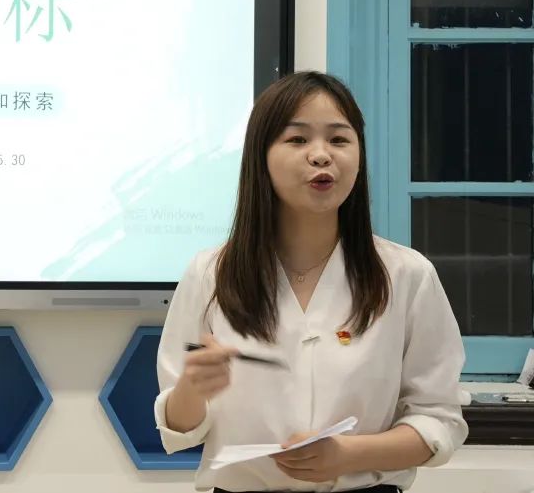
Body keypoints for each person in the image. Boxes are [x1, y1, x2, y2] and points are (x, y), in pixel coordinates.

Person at [154, 71, 468, 492]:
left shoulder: (407, 274)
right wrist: (192, 389)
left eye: (339, 139)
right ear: (261, 156)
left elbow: (440, 422)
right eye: (298, 139)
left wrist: (348, 455)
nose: (321, 155)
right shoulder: (210, 273)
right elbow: (177, 431)